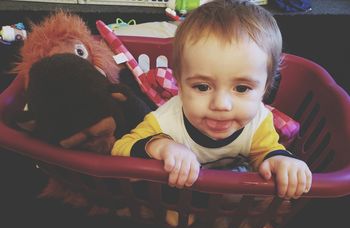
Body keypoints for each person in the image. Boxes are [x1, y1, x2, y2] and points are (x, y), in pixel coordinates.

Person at [112, 0, 312, 201]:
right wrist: (159, 145)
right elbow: (119, 149)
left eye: (242, 88)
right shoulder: (165, 122)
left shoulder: (259, 122)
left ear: (265, 89)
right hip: (178, 195)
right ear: (179, 84)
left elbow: (266, 151)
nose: (221, 105)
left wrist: (281, 160)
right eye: (202, 87)